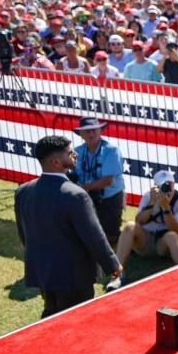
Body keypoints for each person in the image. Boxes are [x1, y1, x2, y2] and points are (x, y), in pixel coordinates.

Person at [14, 135, 122, 318]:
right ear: (55, 161)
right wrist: (112, 264)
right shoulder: (76, 195)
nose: (76, 155)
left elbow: (24, 234)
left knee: (51, 314)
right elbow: (93, 237)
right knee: (75, 323)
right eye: (70, 152)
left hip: (44, 272)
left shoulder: (23, 191)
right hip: (73, 276)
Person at [109, 170, 178, 290]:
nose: (167, 188)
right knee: (130, 226)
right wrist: (152, 203)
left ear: (174, 184)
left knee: (172, 236)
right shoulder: (149, 196)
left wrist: (166, 208)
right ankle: (117, 274)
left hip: (164, 244)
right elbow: (139, 221)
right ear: (155, 187)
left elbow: (176, 229)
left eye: (169, 184)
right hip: (145, 240)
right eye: (163, 185)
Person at [71, 117, 126, 248]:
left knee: (109, 237)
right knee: (87, 232)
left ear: (100, 131)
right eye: (87, 131)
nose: (91, 134)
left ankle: (119, 238)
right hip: (87, 195)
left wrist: (83, 188)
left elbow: (108, 181)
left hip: (110, 196)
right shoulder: (77, 151)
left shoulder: (111, 151)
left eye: (94, 130)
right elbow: (73, 174)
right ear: (81, 135)